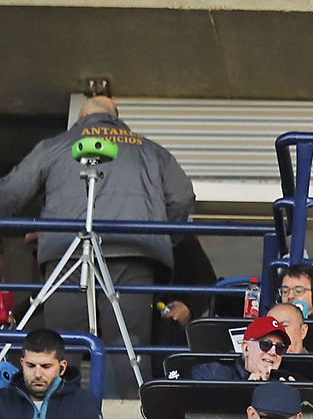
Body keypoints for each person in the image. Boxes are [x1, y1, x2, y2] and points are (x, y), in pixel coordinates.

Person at [0, 96, 194, 375]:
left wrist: (28, 231)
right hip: (134, 252)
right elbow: (183, 197)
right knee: (129, 344)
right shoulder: (151, 150)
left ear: (82, 118)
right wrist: (162, 237)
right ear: (117, 117)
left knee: (62, 344)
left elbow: (10, 195)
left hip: (67, 252)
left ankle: (60, 411)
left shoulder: (56, 146)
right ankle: (132, 412)